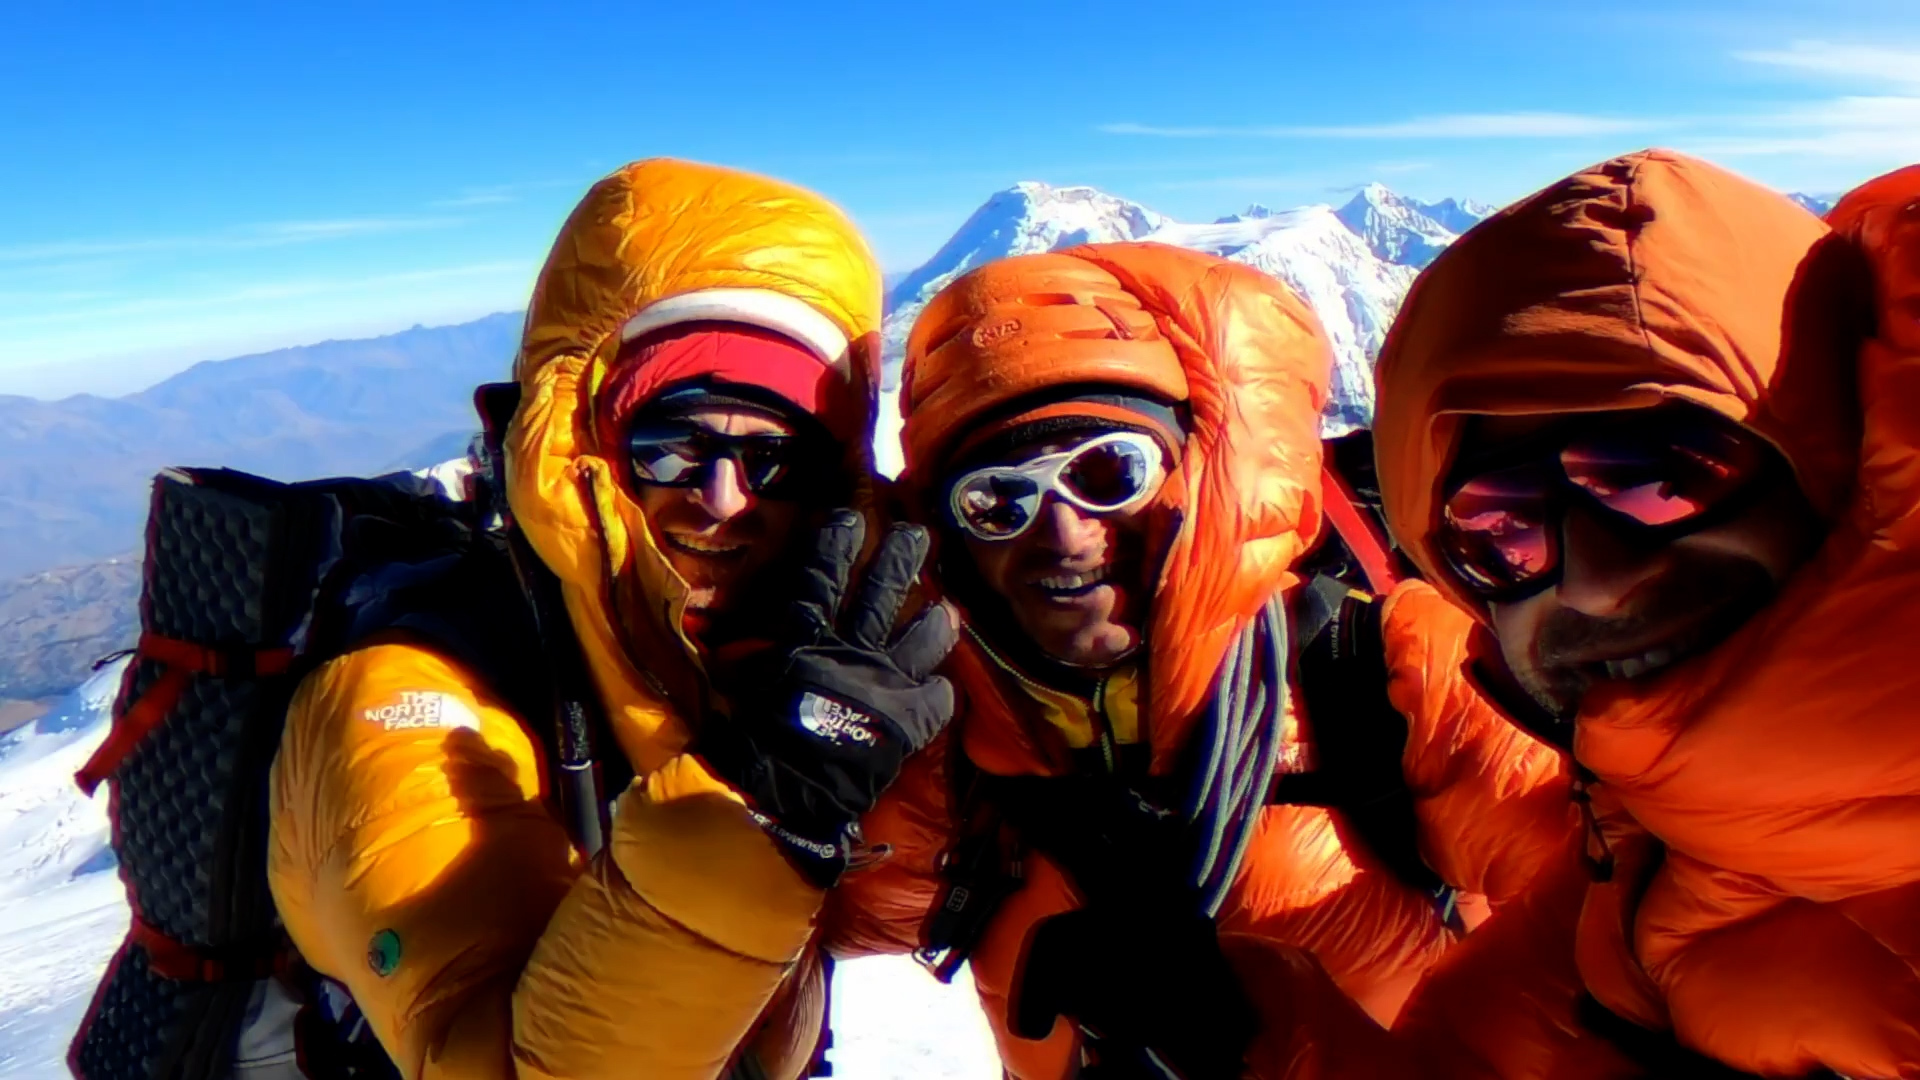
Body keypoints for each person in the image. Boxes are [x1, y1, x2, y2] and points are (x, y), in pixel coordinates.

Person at [266, 157, 957, 1080]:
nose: (723, 499)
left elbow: (872, 913)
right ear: (588, 447)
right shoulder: (406, 693)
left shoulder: (754, 649)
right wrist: (761, 814)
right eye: (675, 445)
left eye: (777, 459)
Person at [835, 242, 1580, 1079]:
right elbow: (831, 920)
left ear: (1193, 480)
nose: (1063, 531)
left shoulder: (1388, 671)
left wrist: (1276, 1031)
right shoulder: (950, 732)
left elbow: (1610, 948)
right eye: (995, 500)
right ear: (954, 539)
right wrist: (797, 789)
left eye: (1110, 471)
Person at [1374, 149, 1920, 1078]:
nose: (1593, 580)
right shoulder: (1637, 859)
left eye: (1664, 477)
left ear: (1843, 463)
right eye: (1499, 531)